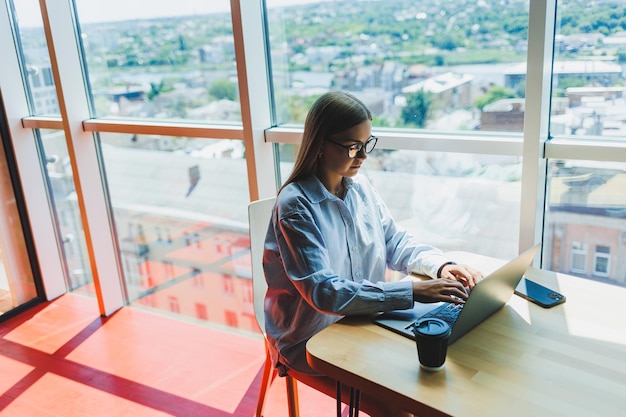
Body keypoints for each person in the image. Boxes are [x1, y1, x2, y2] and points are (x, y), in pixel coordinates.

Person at [263, 91, 483, 417]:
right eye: (353, 146)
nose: (363, 155)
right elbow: (325, 292)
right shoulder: (296, 206)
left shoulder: (360, 186)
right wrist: (413, 292)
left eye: (368, 143)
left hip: (361, 320)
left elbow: (393, 241)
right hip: (310, 339)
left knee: (437, 379)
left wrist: (441, 266)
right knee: (403, 404)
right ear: (320, 143)